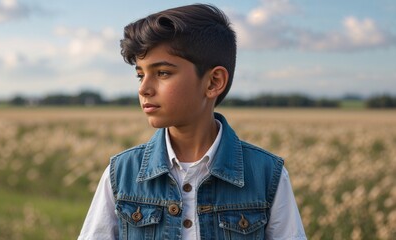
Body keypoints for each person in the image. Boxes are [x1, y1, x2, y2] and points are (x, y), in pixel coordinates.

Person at [78, 4, 306, 240]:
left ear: (213, 82)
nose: (144, 88)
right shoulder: (122, 174)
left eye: (163, 73)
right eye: (140, 75)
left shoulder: (267, 175)